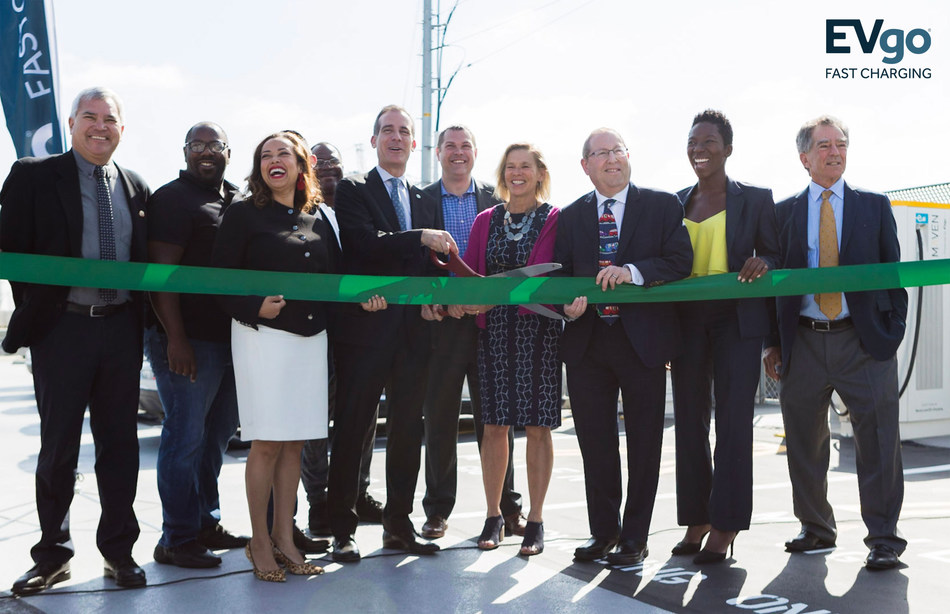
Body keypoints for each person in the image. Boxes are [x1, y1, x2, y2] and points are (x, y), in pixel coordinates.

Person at [1, 86, 150, 594]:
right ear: (71, 124)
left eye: (110, 119)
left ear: (121, 131)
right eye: (90, 116)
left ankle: (119, 552)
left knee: (120, 446)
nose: (100, 126)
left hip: (121, 328)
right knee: (58, 447)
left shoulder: (135, 186)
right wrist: (39, 308)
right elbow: (11, 250)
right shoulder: (33, 176)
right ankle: (52, 555)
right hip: (63, 329)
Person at [212, 131, 364, 582]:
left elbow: (338, 279)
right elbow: (219, 278)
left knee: (295, 441)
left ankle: (284, 537)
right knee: (267, 443)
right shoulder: (242, 213)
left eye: (284, 154)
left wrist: (368, 298)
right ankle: (258, 541)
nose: (274, 160)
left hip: (310, 341)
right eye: (266, 155)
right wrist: (252, 305)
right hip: (264, 336)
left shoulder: (319, 217)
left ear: (302, 166)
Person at [763, 115, 908, 571]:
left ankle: (883, 538)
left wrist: (890, 334)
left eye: (841, 144)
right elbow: (775, 286)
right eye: (824, 145)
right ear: (804, 157)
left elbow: (894, 276)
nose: (835, 152)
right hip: (803, 343)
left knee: (879, 443)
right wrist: (773, 345)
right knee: (804, 442)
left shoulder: (873, 206)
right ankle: (816, 527)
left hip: (863, 342)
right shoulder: (783, 212)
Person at [556, 128, 693, 566]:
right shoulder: (571, 215)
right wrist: (566, 308)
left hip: (643, 345)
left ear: (628, 157)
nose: (611, 159)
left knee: (644, 444)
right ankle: (603, 534)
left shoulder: (661, 204)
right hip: (587, 344)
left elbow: (679, 262)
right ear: (585, 166)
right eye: (600, 153)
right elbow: (558, 279)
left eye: (617, 151)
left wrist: (631, 271)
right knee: (595, 445)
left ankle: (635, 537)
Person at [330, 105, 457, 561]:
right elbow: (363, 244)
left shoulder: (423, 197)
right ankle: (341, 528)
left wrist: (432, 301)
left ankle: (398, 525)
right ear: (375, 140)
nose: (397, 138)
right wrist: (421, 235)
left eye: (405, 131)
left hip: (414, 334)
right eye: (388, 130)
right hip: (365, 329)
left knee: (408, 429)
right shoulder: (354, 187)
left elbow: (425, 268)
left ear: (414, 142)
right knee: (353, 428)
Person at [670, 110, 780, 564]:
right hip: (687, 323)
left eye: (709, 141)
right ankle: (697, 517)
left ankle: (727, 523)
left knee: (733, 423)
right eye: (693, 141)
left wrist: (765, 262)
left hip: (737, 320)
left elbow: (775, 252)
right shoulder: (673, 202)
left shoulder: (755, 199)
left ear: (728, 149)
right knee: (690, 423)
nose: (700, 148)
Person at [145, 122, 249, 569]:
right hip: (188, 342)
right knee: (184, 437)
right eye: (197, 145)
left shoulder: (236, 200)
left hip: (231, 341)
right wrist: (176, 338)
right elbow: (159, 277)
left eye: (214, 145)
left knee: (215, 439)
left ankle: (205, 522)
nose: (205, 151)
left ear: (228, 150)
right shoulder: (171, 199)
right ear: (185, 151)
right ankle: (177, 538)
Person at [447, 143, 559, 556]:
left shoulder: (553, 218)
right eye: (510, 167)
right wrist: (460, 298)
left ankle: (535, 521)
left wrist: (490, 294)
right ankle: (493, 515)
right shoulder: (484, 220)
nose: (517, 173)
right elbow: (474, 274)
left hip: (538, 333)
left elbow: (538, 275)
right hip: (493, 332)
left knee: (537, 427)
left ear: (539, 173)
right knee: (493, 426)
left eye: (525, 167)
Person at [418, 125, 526, 541]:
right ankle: (438, 510)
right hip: (442, 327)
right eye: (450, 146)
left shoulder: (497, 200)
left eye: (465, 146)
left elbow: (507, 262)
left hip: (491, 325)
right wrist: (441, 303)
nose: (458, 153)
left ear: (475, 153)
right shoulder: (421, 200)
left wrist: (485, 301)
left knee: (496, 421)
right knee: (441, 418)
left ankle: (507, 508)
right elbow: (415, 264)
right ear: (439, 152)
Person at [300, 141, 383, 536]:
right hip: (318, 335)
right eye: (321, 163)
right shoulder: (303, 214)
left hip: (359, 333)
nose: (329, 169)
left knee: (363, 421)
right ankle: (319, 501)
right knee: (316, 421)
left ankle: (356, 493)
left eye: (335, 161)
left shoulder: (355, 208)